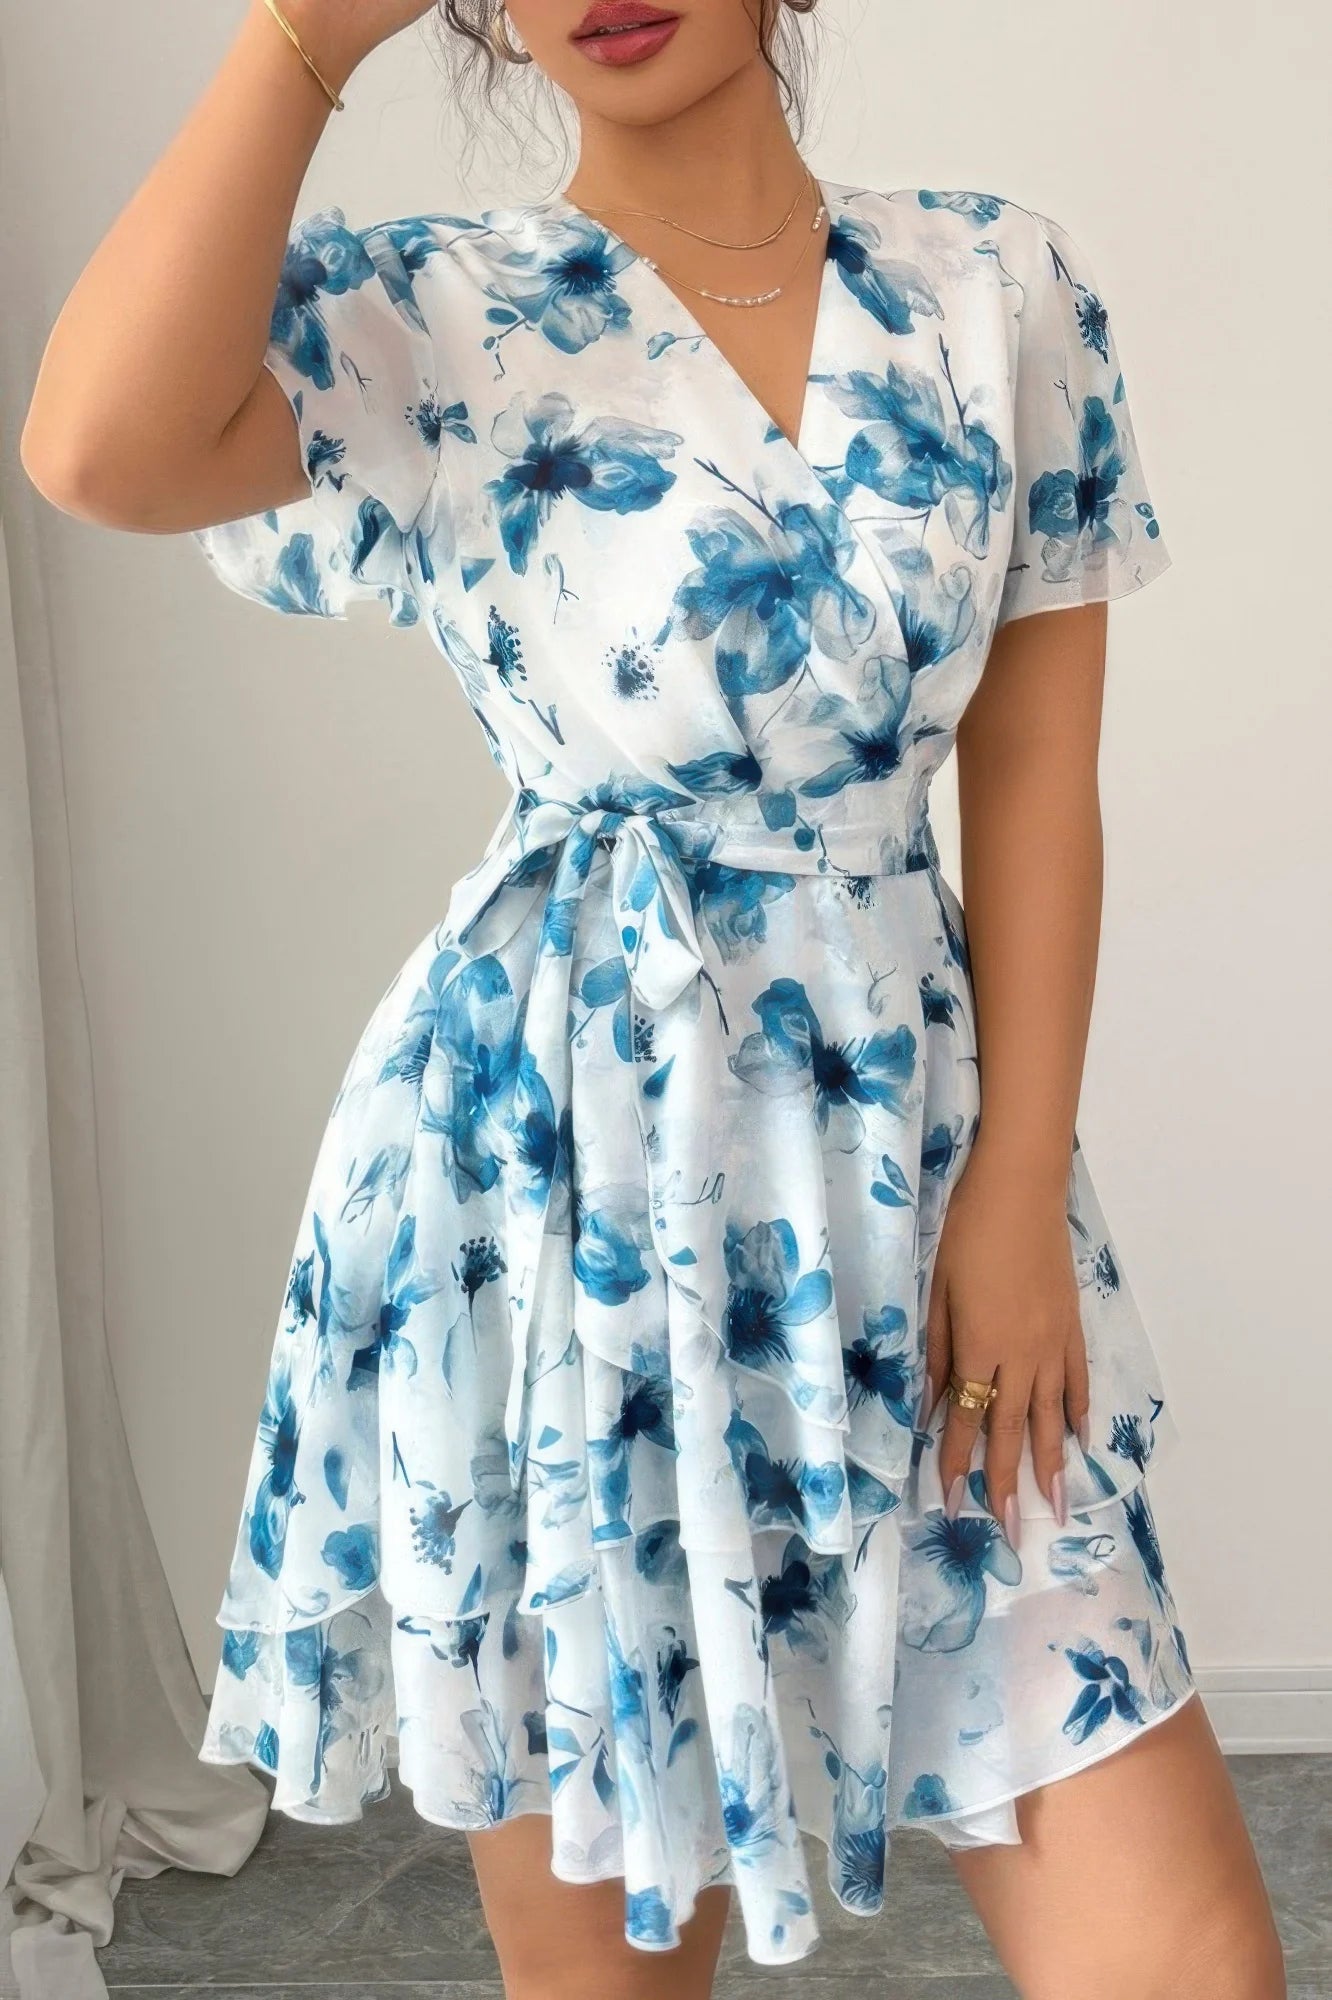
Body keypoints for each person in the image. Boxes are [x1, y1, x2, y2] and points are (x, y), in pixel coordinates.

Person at [19, 4, 1287, 1996]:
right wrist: (298, 42)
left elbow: (1039, 778)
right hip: (567, 1203)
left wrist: (1017, 1191)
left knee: (1183, 1957)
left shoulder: (997, 285)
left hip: (921, 1159)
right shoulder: (431, 311)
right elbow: (95, 447)